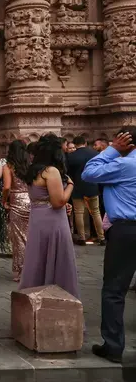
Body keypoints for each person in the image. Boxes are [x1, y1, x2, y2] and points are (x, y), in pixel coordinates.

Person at [82, 128, 136, 364]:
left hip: (127, 230)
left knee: (114, 290)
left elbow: (88, 173)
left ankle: (113, 346)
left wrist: (112, 149)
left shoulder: (125, 166)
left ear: (126, 142)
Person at [19, 134, 79, 299]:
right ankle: (59, 300)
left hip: (38, 218)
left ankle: (33, 299)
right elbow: (58, 201)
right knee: (59, 259)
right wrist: (71, 186)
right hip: (53, 219)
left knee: (37, 258)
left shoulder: (33, 170)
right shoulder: (51, 171)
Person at [1, 140, 31, 282]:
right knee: (31, 236)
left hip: (16, 200)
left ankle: (21, 270)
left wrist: (4, 200)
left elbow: (6, 186)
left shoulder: (9, 166)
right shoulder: (30, 165)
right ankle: (33, 269)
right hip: (31, 200)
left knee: (19, 238)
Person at [67, 136, 104, 245]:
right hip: (92, 186)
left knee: (79, 212)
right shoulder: (94, 154)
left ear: (75, 144)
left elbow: (69, 172)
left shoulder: (71, 156)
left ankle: (82, 237)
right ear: (85, 143)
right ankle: (101, 237)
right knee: (96, 212)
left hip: (77, 187)